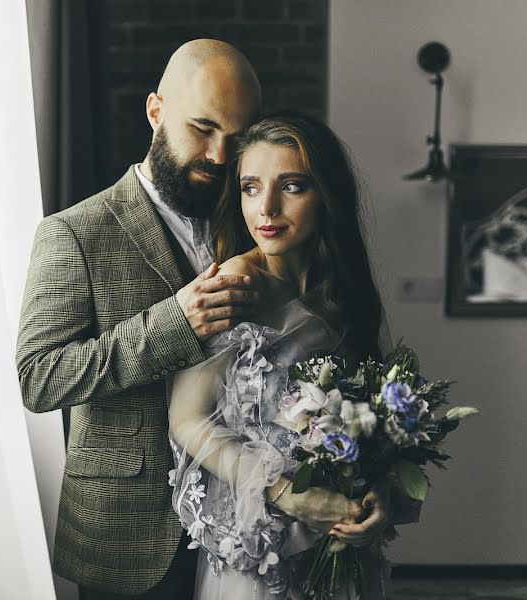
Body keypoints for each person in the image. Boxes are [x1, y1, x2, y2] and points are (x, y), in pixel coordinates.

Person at [15, 40, 264, 600]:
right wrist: (173, 322)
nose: (221, 155)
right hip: (127, 537)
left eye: (238, 136)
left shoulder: (256, 221)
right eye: (202, 127)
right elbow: (39, 376)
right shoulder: (73, 234)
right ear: (156, 112)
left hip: (243, 531)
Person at [167, 113, 421, 599]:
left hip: (338, 541)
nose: (266, 208)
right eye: (249, 187)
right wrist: (289, 494)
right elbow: (188, 420)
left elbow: (376, 420)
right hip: (261, 551)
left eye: (292, 187)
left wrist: (377, 496)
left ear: (325, 194)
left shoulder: (345, 294)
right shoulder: (231, 288)